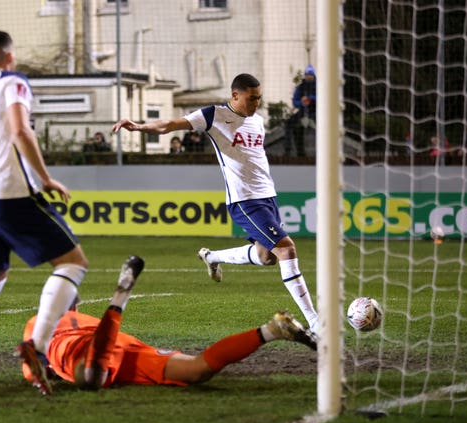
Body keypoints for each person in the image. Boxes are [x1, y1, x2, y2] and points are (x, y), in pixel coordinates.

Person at [112, 73, 320, 335]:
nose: (256, 103)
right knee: (286, 250)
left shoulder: (258, 120)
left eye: (259, 98)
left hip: (268, 196)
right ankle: (315, 322)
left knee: (266, 257)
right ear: (235, 95)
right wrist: (141, 127)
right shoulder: (214, 115)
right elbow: (171, 124)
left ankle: (212, 257)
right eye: (251, 98)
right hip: (245, 200)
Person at [0, 29, 89, 397]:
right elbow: (20, 130)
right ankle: (38, 348)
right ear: (9, 56)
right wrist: (45, 179)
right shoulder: (13, 81)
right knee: (73, 262)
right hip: (8, 191)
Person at [21, 256, 316, 390]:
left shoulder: (37, 323)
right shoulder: (77, 314)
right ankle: (272, 330)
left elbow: (32, 370)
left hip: (86, 351)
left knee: (91, 378)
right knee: (196, 371)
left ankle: (120, 296)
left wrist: (43, 376)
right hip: (118, 346)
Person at [285, 65, 316, 157]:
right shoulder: (301, 87)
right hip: (303, 111)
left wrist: (310, 99)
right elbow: (295, 101)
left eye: (310, 75)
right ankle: (291, 149)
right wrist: (302, 103)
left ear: (313, 76)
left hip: (315, 111)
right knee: (289, 124)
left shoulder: (319, 86)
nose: (308, 76)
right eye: (307, 75)